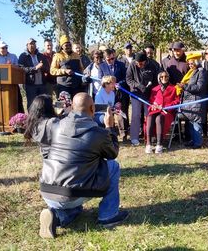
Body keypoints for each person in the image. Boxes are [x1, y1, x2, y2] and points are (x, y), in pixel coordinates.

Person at [31, 92, 128, 238]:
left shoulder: (55, 124)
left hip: (48, 191)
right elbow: (112, 153)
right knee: (113, 166)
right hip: (73, 192)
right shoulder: (98, 133)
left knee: (75, 209)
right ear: (92, 109)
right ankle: (108, 215)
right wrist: (109, 127)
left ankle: (56, 217)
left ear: (72, 108)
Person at [126, 51, 159, 146]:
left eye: (141, 64)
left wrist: (151, 89)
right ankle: (134, 137)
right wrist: (138, 86)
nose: (139, 65)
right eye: (137, 63)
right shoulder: (132, 64)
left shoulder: (152, 65)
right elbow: (128, 79)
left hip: (149, 95)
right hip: (136, 94)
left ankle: (149, 136)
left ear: (145, 61)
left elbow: (156, 81)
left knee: (149, 115)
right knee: (136, 115)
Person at [177, 53, 207, 149]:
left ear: (197, 62)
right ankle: (193, 140)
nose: (190, 65)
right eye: (189, 64)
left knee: (197, 122)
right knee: (191, 121)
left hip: (196, 101)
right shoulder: (191, 72)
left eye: (192, 63)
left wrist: (184, 86)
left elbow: (199, 87)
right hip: (189, 101)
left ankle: (198, 143)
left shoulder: (201, 72)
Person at [145, 71, 179, 154]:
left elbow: (177, 101)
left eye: (166, 76)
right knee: (149, 117)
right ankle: (148, 144)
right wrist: (153, 106)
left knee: (159, 118)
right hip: (155, 110)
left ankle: (159, 144)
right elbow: (151, 101)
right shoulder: (154, 89)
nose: (164, 78)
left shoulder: (173, 88)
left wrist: (166, 107)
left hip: (167, 112)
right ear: (159, 78)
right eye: (162, 77)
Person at [102, 48, 129, 140]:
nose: (111, 61)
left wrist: (119, 84)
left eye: (112, 59)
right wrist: (109, 85)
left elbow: (126, 78)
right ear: (105, 58)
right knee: (109, 112)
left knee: (121, 113)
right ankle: (111, 132)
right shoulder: (102, 66)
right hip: (108, 94)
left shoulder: (121, 65)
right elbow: (100, 80)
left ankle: (123, 133)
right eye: (108, 59)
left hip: (119, 93)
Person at [0, 40, 24, 113]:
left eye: (6, 48)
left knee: (17, 102)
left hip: (13, 85)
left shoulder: (13, 56)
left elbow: (18, 69)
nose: (4, 49)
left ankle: (19, 118)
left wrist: (11, 67)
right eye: (2, 48)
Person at [18, 38, 49, 110]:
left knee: (43, 104)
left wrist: (42, 67)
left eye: (34, 43)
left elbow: (47, 68)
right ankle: (31, 120)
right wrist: (35, 68)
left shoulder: (41, 55)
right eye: (30, 44)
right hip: (30, 84)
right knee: (32, 105)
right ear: (27, 45)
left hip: (42, 84)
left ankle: (43, 119)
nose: (32, 45)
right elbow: (22, 69)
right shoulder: (23, 56)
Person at [23, 94, 57, 159]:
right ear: (49, 107)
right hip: (58, 155)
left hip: (45, 154)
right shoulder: (52, 122)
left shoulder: (32, 123)